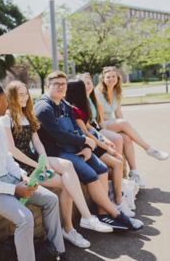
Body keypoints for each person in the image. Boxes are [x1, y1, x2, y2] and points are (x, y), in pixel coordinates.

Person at [0, 81, 66, 261]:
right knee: (25, 219)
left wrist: (22, 176)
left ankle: (56, 251)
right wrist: (15, 189)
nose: (9, 103)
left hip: (8, 179)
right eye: (5, 100)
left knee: (51, 200)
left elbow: (7, 158)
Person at [0, 80, 112, 248]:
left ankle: (87, 218)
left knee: (67, 165)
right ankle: (70, 228)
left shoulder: (27, 115)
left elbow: (37, 143)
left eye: (26, 94)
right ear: (12, 96)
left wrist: (44, 161)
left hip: (34, 159)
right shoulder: (6, 118)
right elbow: (12, 150)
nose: (25, 97)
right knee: (67, 184)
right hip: (18, 166)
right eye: (20, 94)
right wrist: (37, 164)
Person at [34, 71, 144, 231]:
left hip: (75, 148)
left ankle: (103, 213)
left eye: (63, 84)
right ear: (47, 86)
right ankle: (117, 215)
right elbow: (60, 135)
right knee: (91, 175)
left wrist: (86, 146)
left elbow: (75, 129)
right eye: (56, 84)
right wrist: (85, 141)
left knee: (102, 168)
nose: (60, 87)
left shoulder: (64, 104)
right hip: (57, 152)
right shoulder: (44, 108)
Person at [65, 79, 135, 217]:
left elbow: (90, 126)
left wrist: (106, 139)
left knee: (119, 160)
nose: (87, 88)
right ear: (77, 91)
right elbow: (85, 132)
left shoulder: (80, 105)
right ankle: (118, 201)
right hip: (89, 143)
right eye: (83, 87)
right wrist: (105, 147)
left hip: (95, 139)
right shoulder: (73, 109)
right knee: (117, 162)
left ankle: (117, 197)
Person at [96, 66, 169, 186]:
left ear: (117, 78)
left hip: (112, 124)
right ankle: (149, 149)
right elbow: (99, 117)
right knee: (123, 123)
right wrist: (120, 124)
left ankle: (134, 173)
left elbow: (118, 114)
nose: (111, 79)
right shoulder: (98, 93)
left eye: (113, 76)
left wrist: (122, 128)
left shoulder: (116, 92)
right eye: (108, 77)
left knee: (127, 138)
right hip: (100, 125)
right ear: (103, 79)